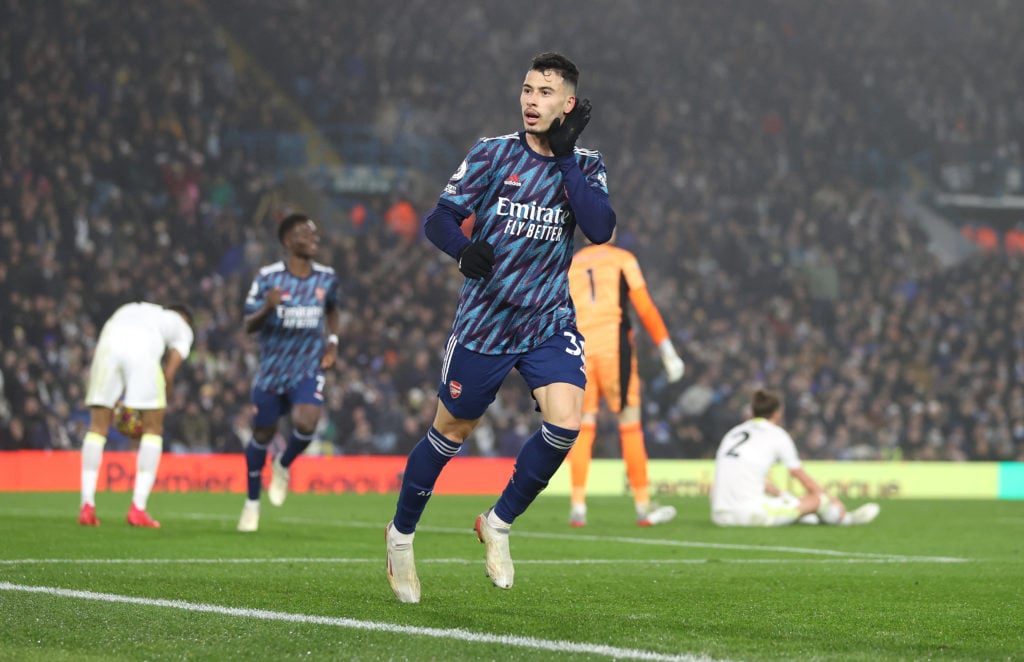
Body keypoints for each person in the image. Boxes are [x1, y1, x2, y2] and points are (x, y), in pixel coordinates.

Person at [385, 52, 616, 603]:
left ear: (568, 105)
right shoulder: (492, 154)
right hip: (486, 321)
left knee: (567, 423)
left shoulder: (585, 163)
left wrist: (563, 161)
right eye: (527, 89)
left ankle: (499, 522)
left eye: (544, 92)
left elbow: (601, 229)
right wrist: (464, 252)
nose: (531, 100)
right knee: (450, 434)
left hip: (547, 320)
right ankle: (399, 536)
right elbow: (438, 218)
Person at [565, 231, 686, 527]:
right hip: (614, 349)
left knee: (583, 427)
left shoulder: (570, 263)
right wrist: (667, 350)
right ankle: (644, 506)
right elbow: (644, 306)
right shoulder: (622, 259)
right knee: (630, 425)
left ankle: (578, 506)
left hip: (579, 350)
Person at [236, 213, 342, 532]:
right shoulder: (267, 277)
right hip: (271, 371)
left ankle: (283, 464)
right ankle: (252, 503)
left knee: (307, 421)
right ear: (287, 241)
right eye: (305, 234)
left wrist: (333, 342)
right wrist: (267, 307)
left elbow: (332, 310)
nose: (314, 238)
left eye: (315, 233)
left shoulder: (326, 277)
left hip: (307, 368)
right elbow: (247, 324)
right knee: (263, 434)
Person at [78, 301, 195, 527]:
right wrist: (160, 397)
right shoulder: (181, 326)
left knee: (97, 428)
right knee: (153, 430)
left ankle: (86, 506)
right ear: (185, 319)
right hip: (142, 348)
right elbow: (169, 372)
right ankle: (138, 509)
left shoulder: (135, 309)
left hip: (108, 341)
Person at [710, 389, 880, 527]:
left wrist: (781, 494)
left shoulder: (733, 433)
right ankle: (846, 519)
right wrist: (832, 500)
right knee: (819, 500)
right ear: (777, 414)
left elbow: (747, 475)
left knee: (789, 503)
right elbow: (801, 477)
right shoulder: (777, 435)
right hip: (750, 514)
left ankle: (805, 516)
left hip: (719, 515)